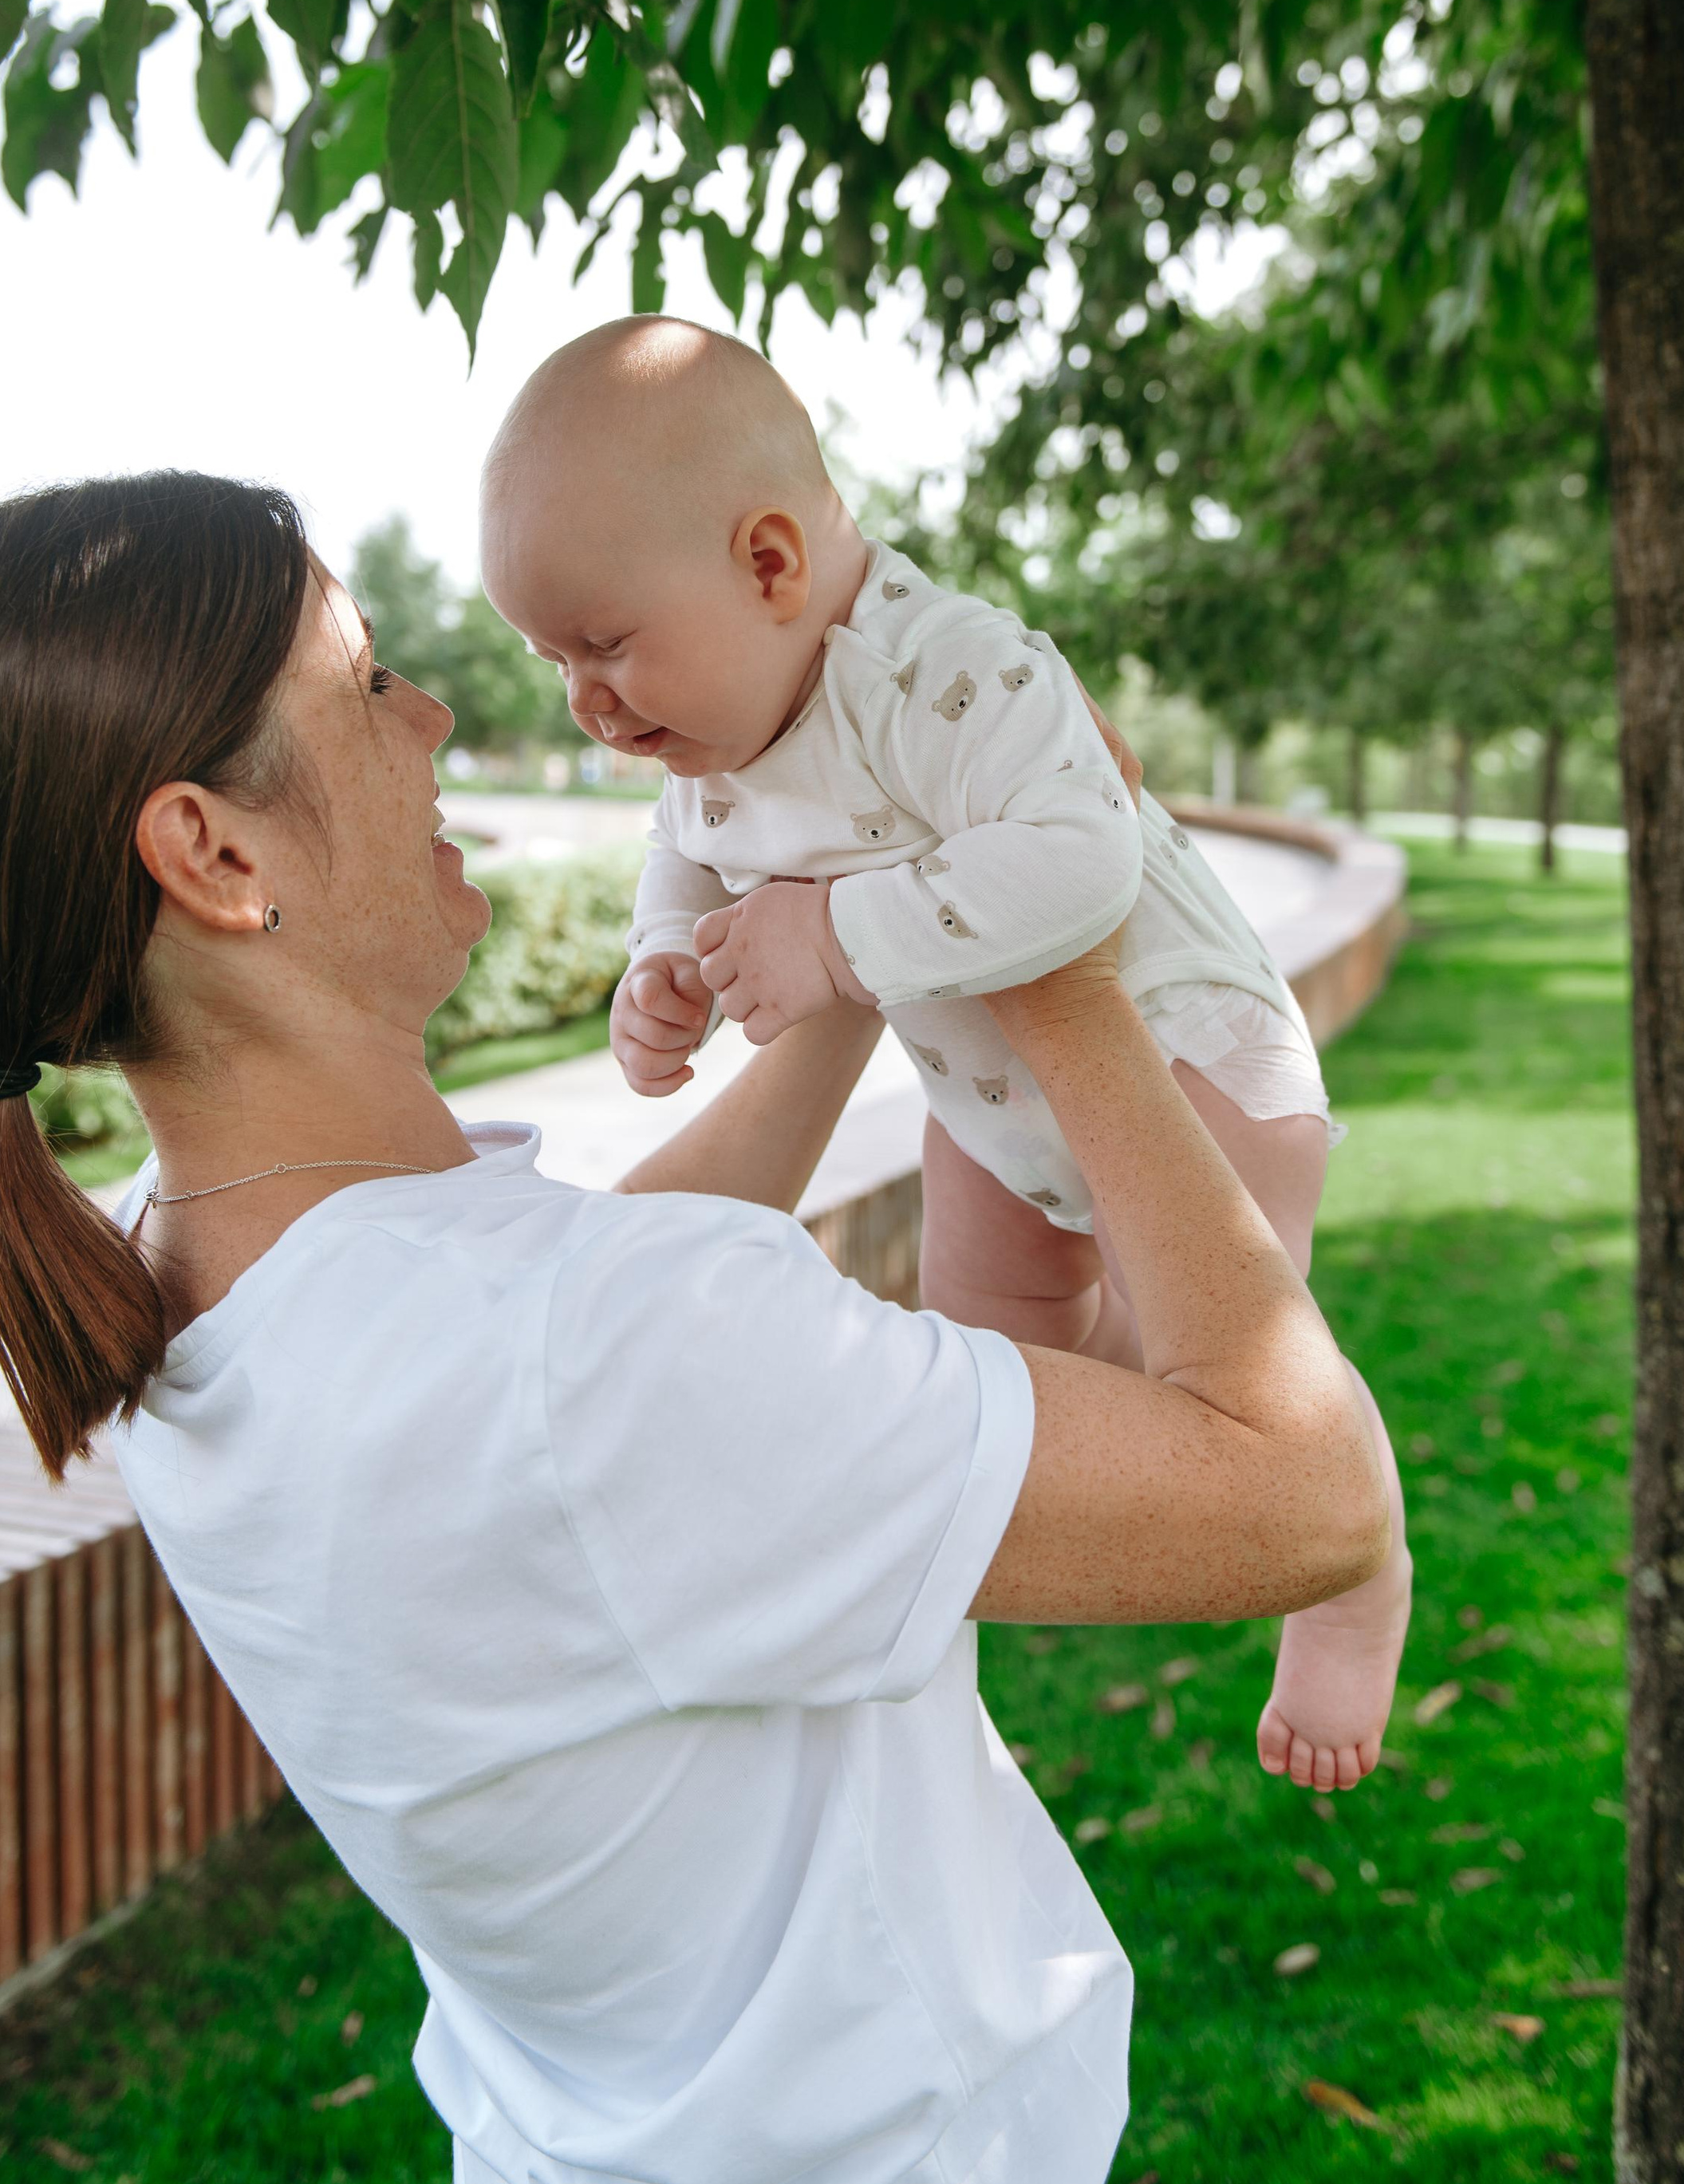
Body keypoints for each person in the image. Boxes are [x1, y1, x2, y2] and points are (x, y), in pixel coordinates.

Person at [0, 470, 1387, 2184]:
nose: (443, 716)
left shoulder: (183, 1280)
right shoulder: (594, 1357)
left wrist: (864, 948)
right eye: (371, 680)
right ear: (214, 852)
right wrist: (1047, 941)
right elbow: (1306, 1496)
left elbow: (578, 1349)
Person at [480, 319, 1411, 1792]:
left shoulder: (944, 674)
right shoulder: (718, 728)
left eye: (603, 643)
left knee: (1243, 1359)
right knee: (1014, 1354)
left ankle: (1353, 1566)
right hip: (995, 1107)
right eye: (553, 662)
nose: (585, 701)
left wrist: (838, 941)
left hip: (1188, 1064)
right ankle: (1174, 1434)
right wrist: (668, 969)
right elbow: (691, 850)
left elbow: (1082, 864)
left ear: (772, 563)